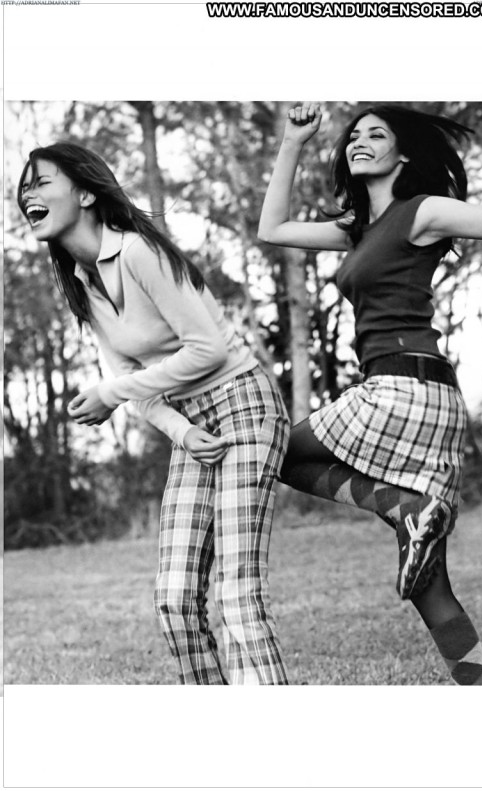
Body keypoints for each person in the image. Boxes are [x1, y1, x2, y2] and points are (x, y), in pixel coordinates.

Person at [18, 141, 290, 685]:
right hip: (191, 426)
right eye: (24, 188)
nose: (29, 195)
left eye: (42, 182)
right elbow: (132, 381)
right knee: (175, 599)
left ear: (86, 194)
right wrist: (180, 430)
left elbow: (207, 349)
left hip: (243, 401)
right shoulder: (82, 283)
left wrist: (113, 393)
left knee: (237, 594)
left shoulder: (139, 252)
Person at [258, 103, 482, 685]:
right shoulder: (359, 228)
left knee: (274, 451)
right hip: (422, 393)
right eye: (354, 135)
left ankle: (400, 505)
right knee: (429, 588)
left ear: (404, 153)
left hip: (402, 388)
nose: (360, 141)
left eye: (377, 134)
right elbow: (272, 230)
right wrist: (293, 141)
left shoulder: (423, 211)